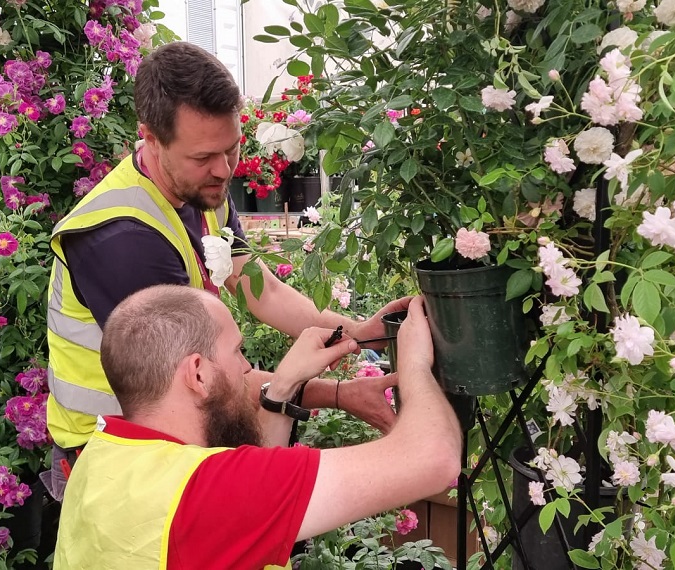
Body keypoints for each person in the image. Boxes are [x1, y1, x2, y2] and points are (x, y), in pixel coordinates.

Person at [44, 41, 405, 494]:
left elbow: (260, 288)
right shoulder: (123, 240)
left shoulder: (199, 188)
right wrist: (337, 394)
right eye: (203, 158)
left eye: (231, 149)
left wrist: (354, 331)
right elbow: (209, 384)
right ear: (151, 139)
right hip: (109, 457)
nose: (224, 170)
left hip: (172, 435)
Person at [53, 286, 461, 569]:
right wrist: (414, 365)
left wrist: (284, 387)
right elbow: (434, 459)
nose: (247, 366)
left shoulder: (101, 458)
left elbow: (237, 506)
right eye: (236, 351)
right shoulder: (205, 492)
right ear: (198, 374)